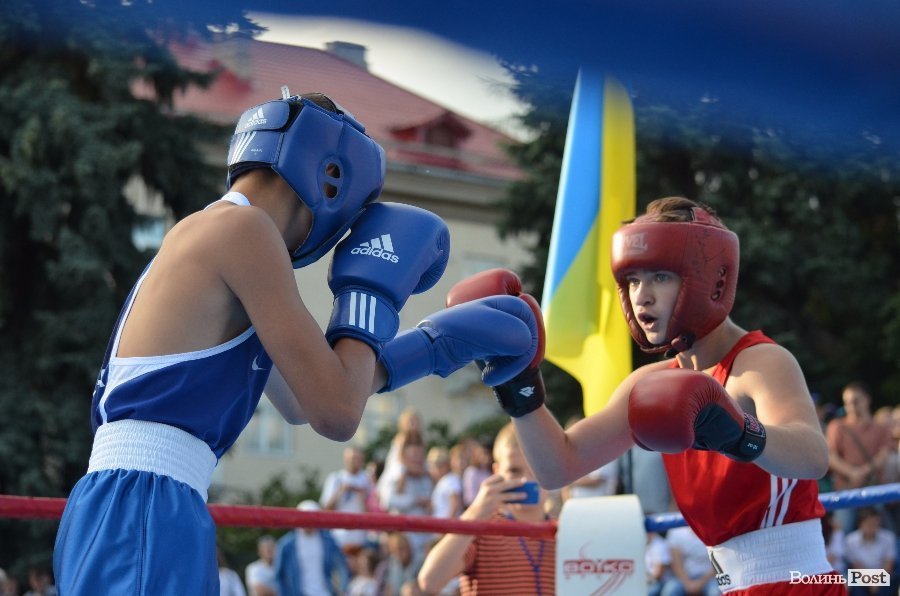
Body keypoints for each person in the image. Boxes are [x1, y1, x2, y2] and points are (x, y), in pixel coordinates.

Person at [53, 89, 541, 595]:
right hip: (145, 508)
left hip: (136, 505)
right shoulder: (244, 230)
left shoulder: (215, 232)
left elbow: (306, 400)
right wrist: (369, 293)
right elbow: (336, 412)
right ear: (332, 176)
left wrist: (436, 345)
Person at [459, 198, 843, 594]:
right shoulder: (652, 384)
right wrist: (517, 382)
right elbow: (558, 466)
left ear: (709, 279)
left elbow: (813, 457)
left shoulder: (759, 362)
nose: (642, 295)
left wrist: (739, 432)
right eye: (633, 280)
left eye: (660, 276)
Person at [417, 422, 556, 595]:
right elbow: (430, 581)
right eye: (514, 471)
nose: (526, 480)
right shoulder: (480, 530)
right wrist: (475, 512)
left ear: (553, 470)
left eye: (537, 469)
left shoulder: (564, 533)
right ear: (497, 472)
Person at [826, 381, 894, 533]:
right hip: (846, 490)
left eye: (855, 401)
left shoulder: (881, 428)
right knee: (841, 533)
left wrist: (860, 473)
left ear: (867, 400)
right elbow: (831, 456)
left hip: (874, 490)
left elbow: (883, 455)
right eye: (847, 402)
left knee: (881, 535)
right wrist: (852, 473)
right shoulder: (837, 426)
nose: (851, 406)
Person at [273, 500, 350, 596]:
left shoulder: (328, 540)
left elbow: (341, 565)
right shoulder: (286, 545)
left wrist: (343, 589)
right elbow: (279, 576)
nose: (309, 523)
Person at [320, 446, 373, 557]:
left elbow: (373, 512)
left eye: (358, 458)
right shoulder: (335, 478)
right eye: (352, 458)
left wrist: (361, 496)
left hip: (361, 541)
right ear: (345, 460)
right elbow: (325, 509)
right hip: (338, 540)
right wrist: (340, 491)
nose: (354, 462)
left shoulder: (368, 480)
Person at [844, 508, 896, 596]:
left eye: (876, 524)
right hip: (861, 576)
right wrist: (869, 581)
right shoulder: (850, 540)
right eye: (869, 524)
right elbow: (856, 566)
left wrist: (877, 581)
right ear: (860, 524)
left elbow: (888, 564)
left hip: (884, 575)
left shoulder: (889, 537)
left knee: (893, 579)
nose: (873, 527)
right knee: (853, 581)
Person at [661, 525, 720, 596]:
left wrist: (700, 583)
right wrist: (688, 583)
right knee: (670, 591)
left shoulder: (714, 528)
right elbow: (676, 564)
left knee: (715, 592)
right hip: (683, 579)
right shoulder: (675, 531)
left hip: (709, 579)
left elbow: (718, 563)